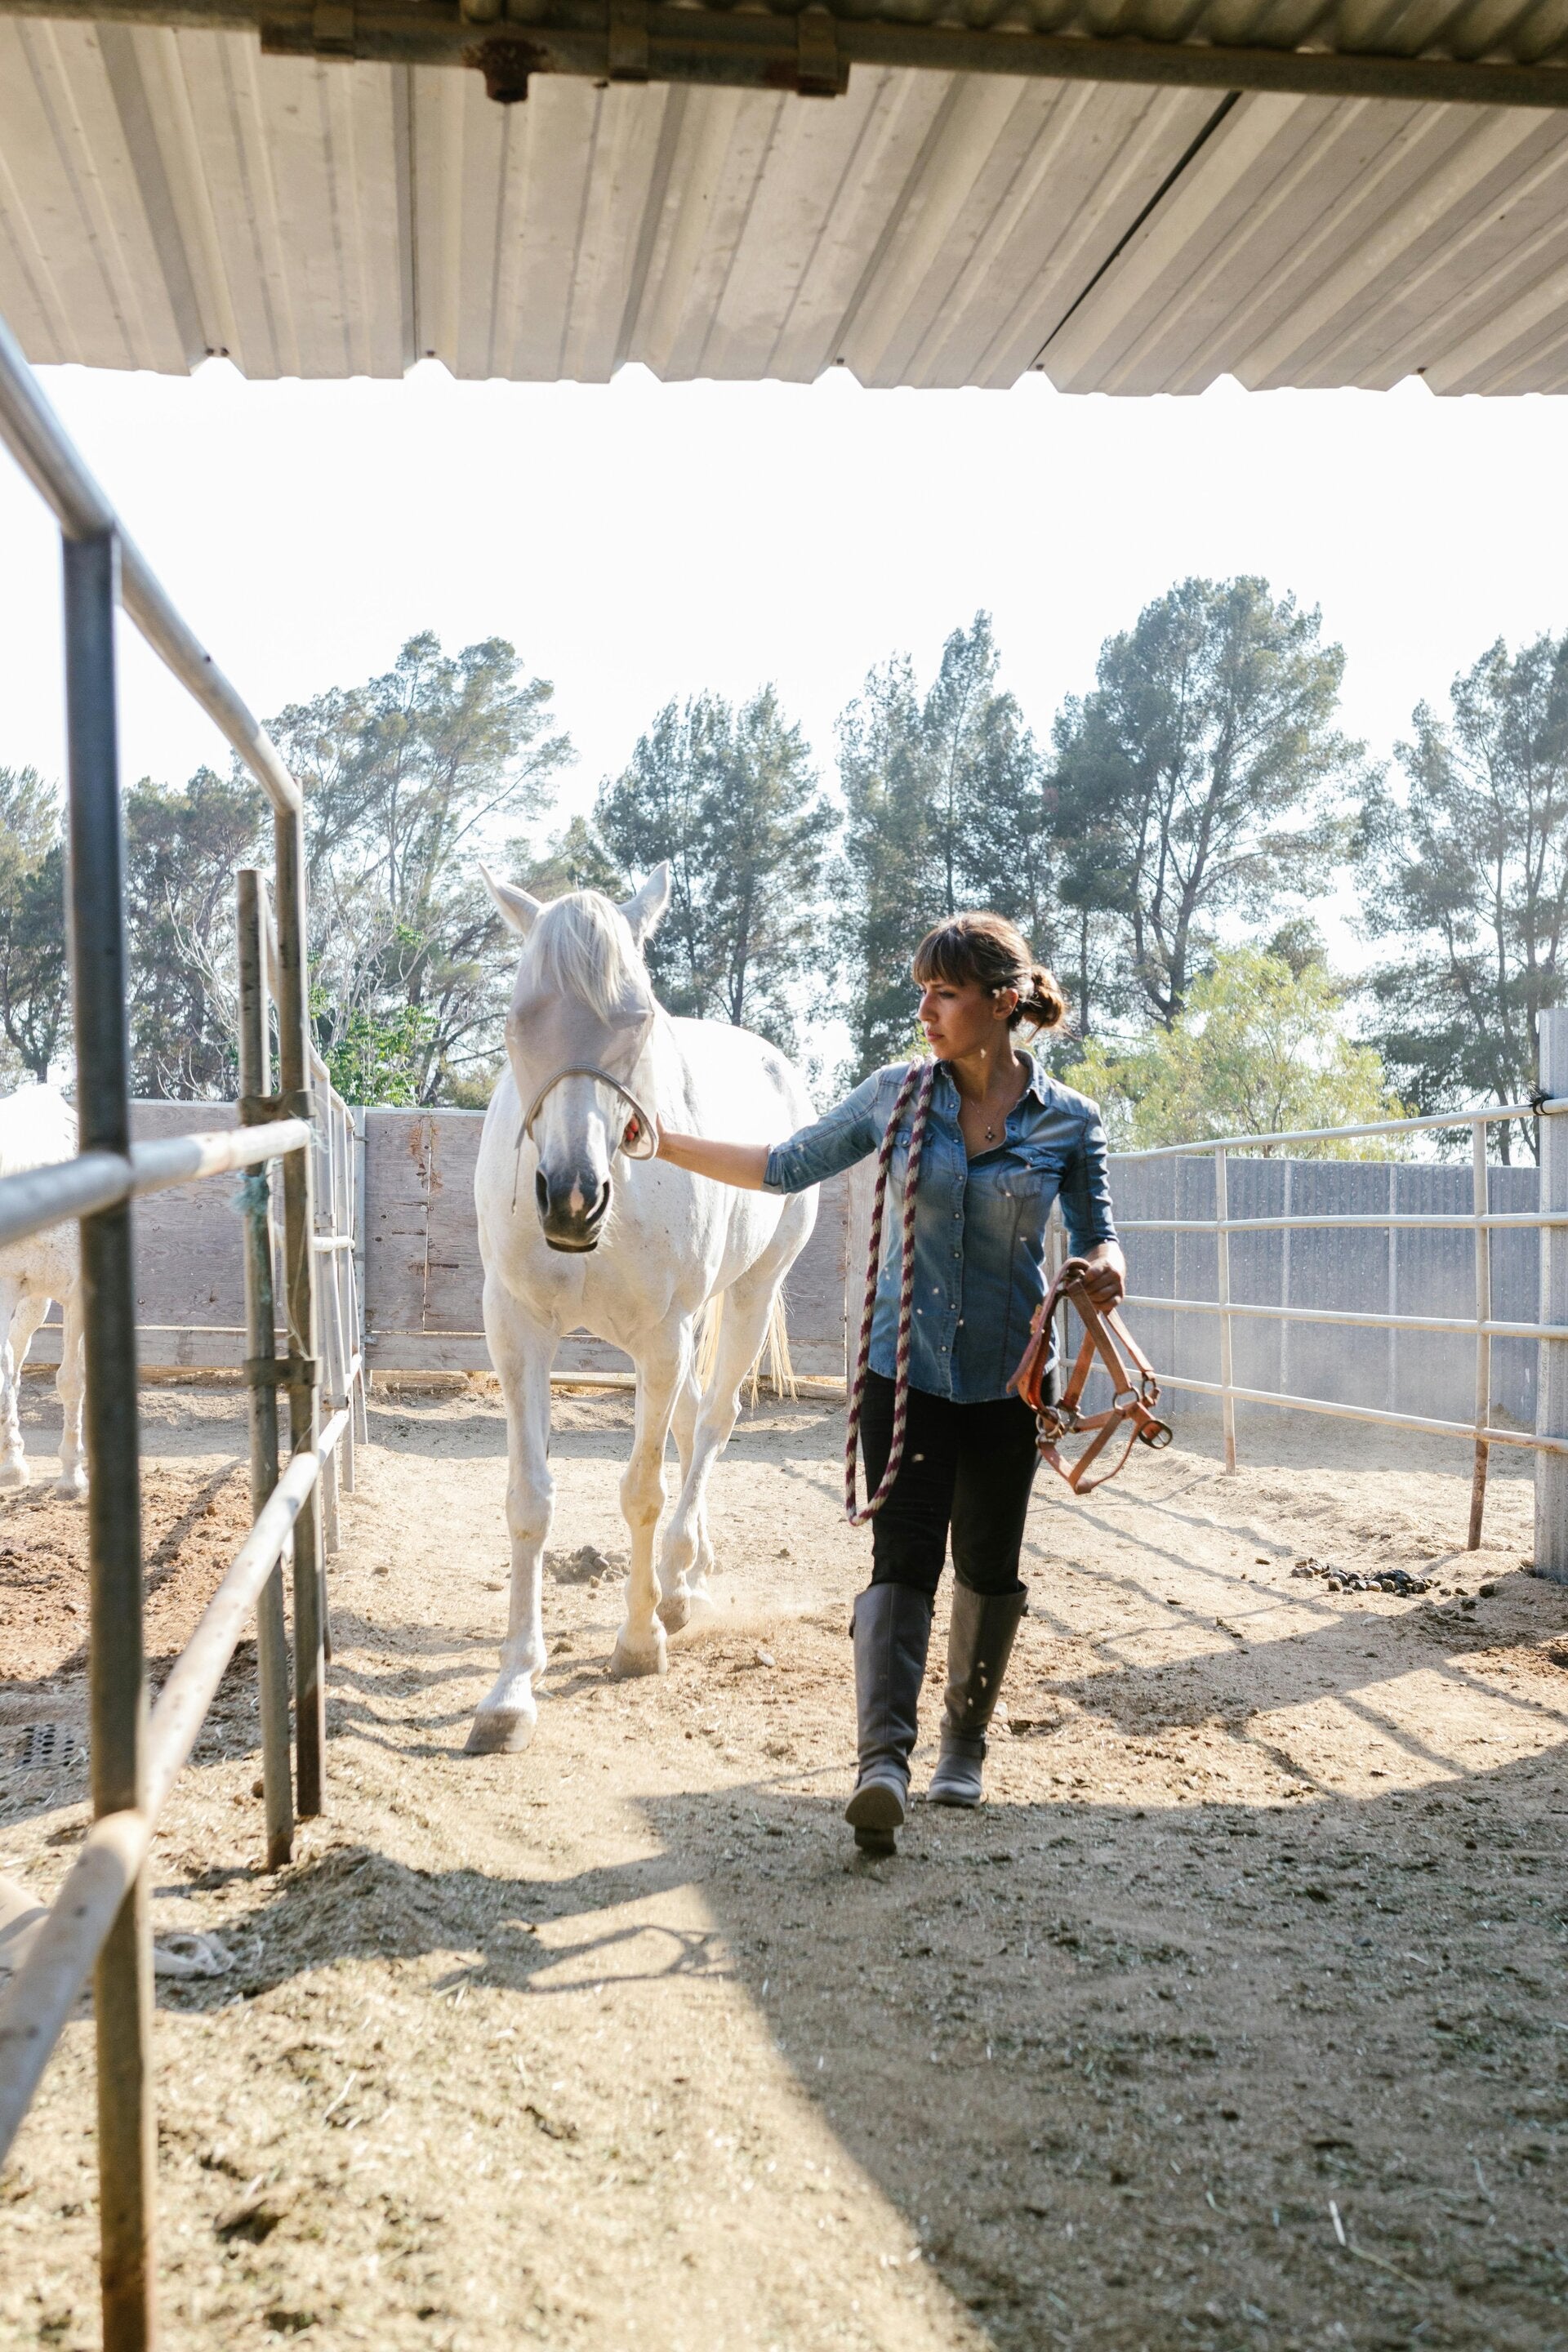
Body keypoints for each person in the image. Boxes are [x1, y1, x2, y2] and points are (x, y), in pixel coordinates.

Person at [655, 911, 1125, 1855]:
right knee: (902, 1559)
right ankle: (883, 1764)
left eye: (945, 993)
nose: (926, 1010)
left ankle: (964, 1746)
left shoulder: (1069, 1121)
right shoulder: (894, 1096)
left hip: (1010, 1383)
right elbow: (785, 1165)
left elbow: (1099, 1231)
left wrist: (1106, 1269)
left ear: (1002, 1003)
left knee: (987, 1565)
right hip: (902, 1374)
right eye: (924, 992)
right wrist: (662, 1142)